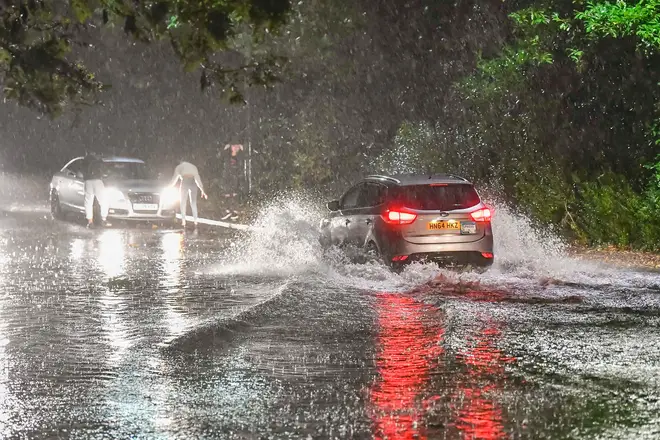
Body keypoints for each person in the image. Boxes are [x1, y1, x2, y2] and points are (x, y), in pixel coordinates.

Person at [170, 160, 207, 228]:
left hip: (185, 181)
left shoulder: (179, 167)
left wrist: (169, 187)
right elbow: (198, 180)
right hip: (193, 181)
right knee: (193, 202)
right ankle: (195, 220)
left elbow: (174, 180)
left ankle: (183, 221)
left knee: (183, 202)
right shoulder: (193, 167)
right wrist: (203, 190)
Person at [82, 155, 111, 228]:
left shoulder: (85, 160)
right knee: (104, 201)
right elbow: (105, 171)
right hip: (97, 180)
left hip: (88, 181)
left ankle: (90, 222)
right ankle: (103, 220)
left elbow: (82, 170)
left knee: (88, 202)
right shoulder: (98, 160)